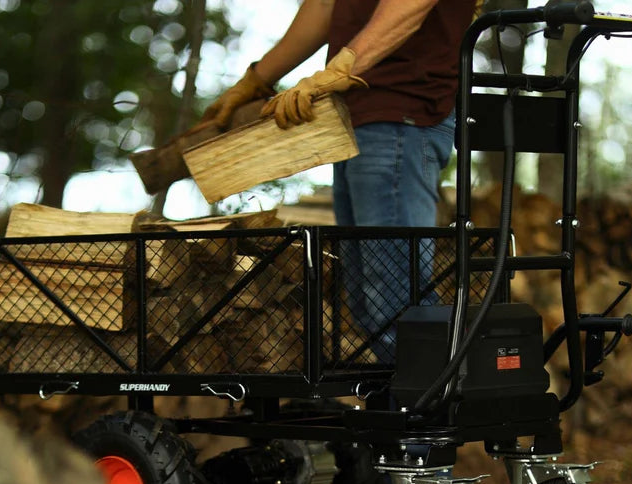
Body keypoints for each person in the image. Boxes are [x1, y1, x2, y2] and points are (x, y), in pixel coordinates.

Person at [199, 0, 481, 361]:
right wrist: (257, 79)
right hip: (353, 117)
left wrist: (341, 67)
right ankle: (405, 406)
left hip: (401, 115)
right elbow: (325, 4)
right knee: (368, 303)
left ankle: (436, 409)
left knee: (397, 301)